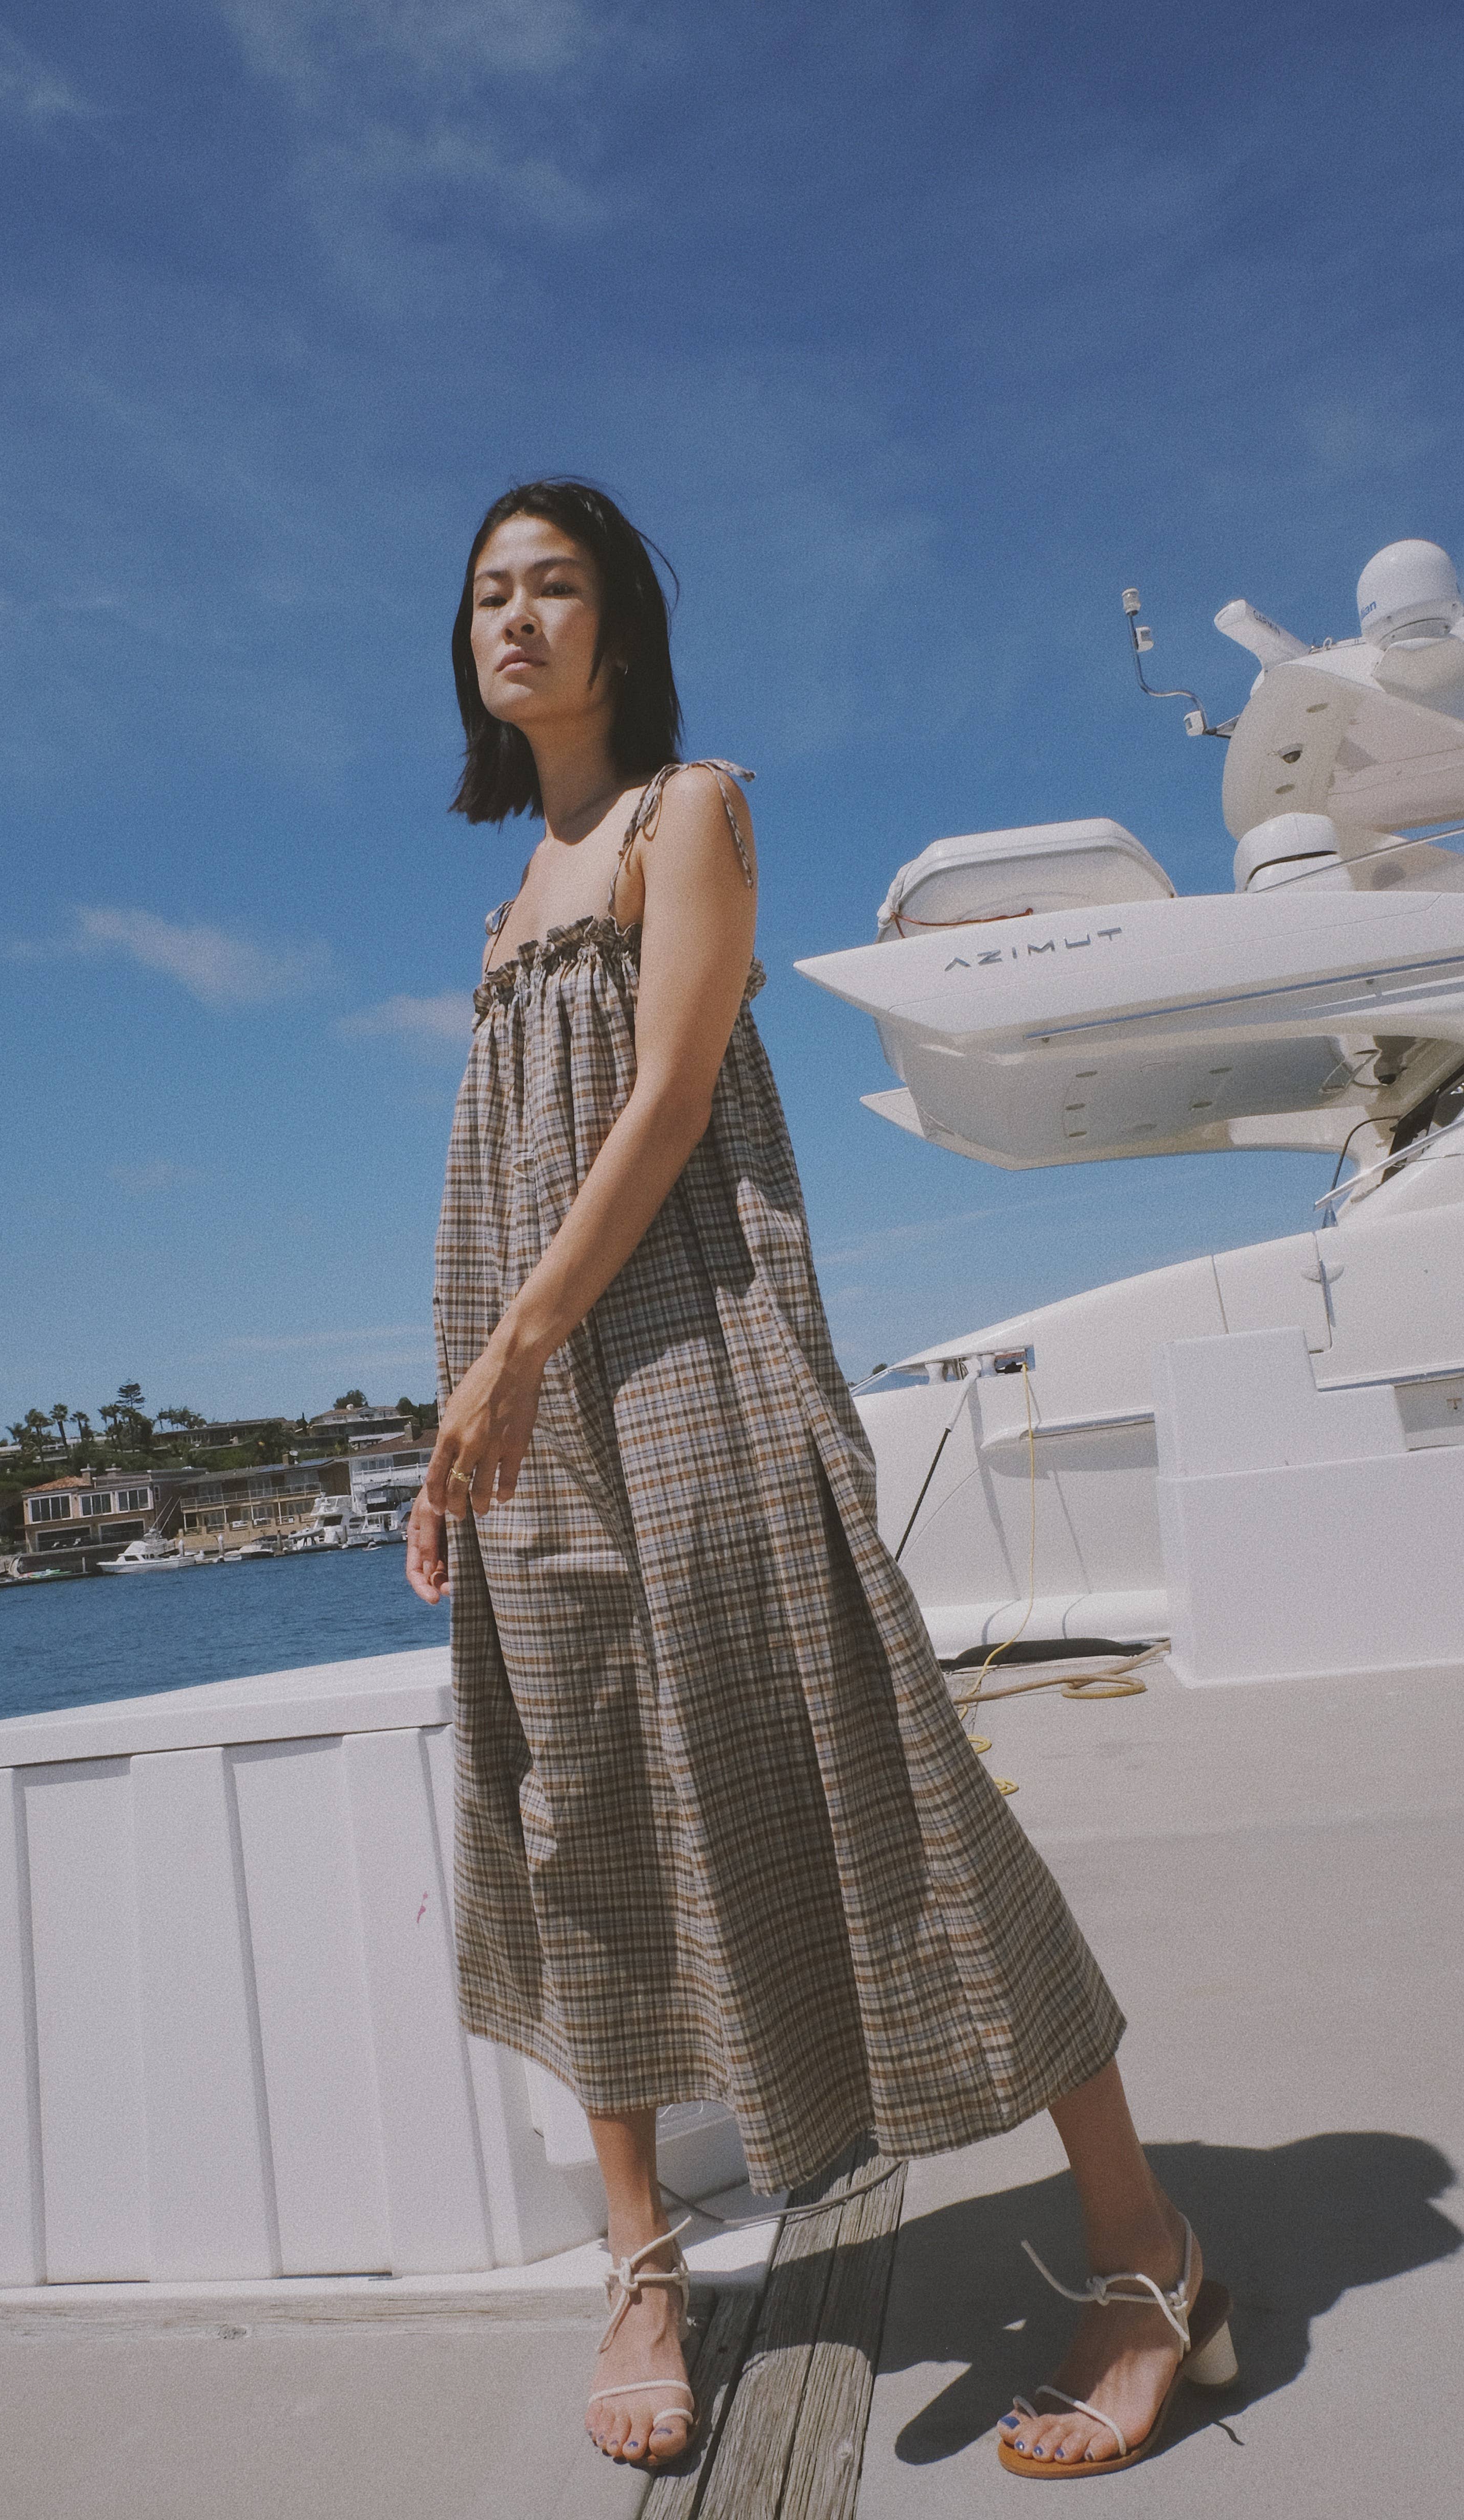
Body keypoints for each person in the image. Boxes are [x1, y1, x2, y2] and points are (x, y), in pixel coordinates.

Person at [405, 479, 1230, 2479]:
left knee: (886, 1788)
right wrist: (464, 1417)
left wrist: (518, 1352)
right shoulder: (504, 909)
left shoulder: (690, 813)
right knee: (574, 1807)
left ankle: (1147, 2248)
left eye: (556, 587)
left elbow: (672, 1098)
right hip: (528, 1405)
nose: (517, 619)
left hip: (694, 1372)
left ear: (619, 628)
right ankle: (641, 2267)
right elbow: (501, 1181)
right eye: (491, 594)